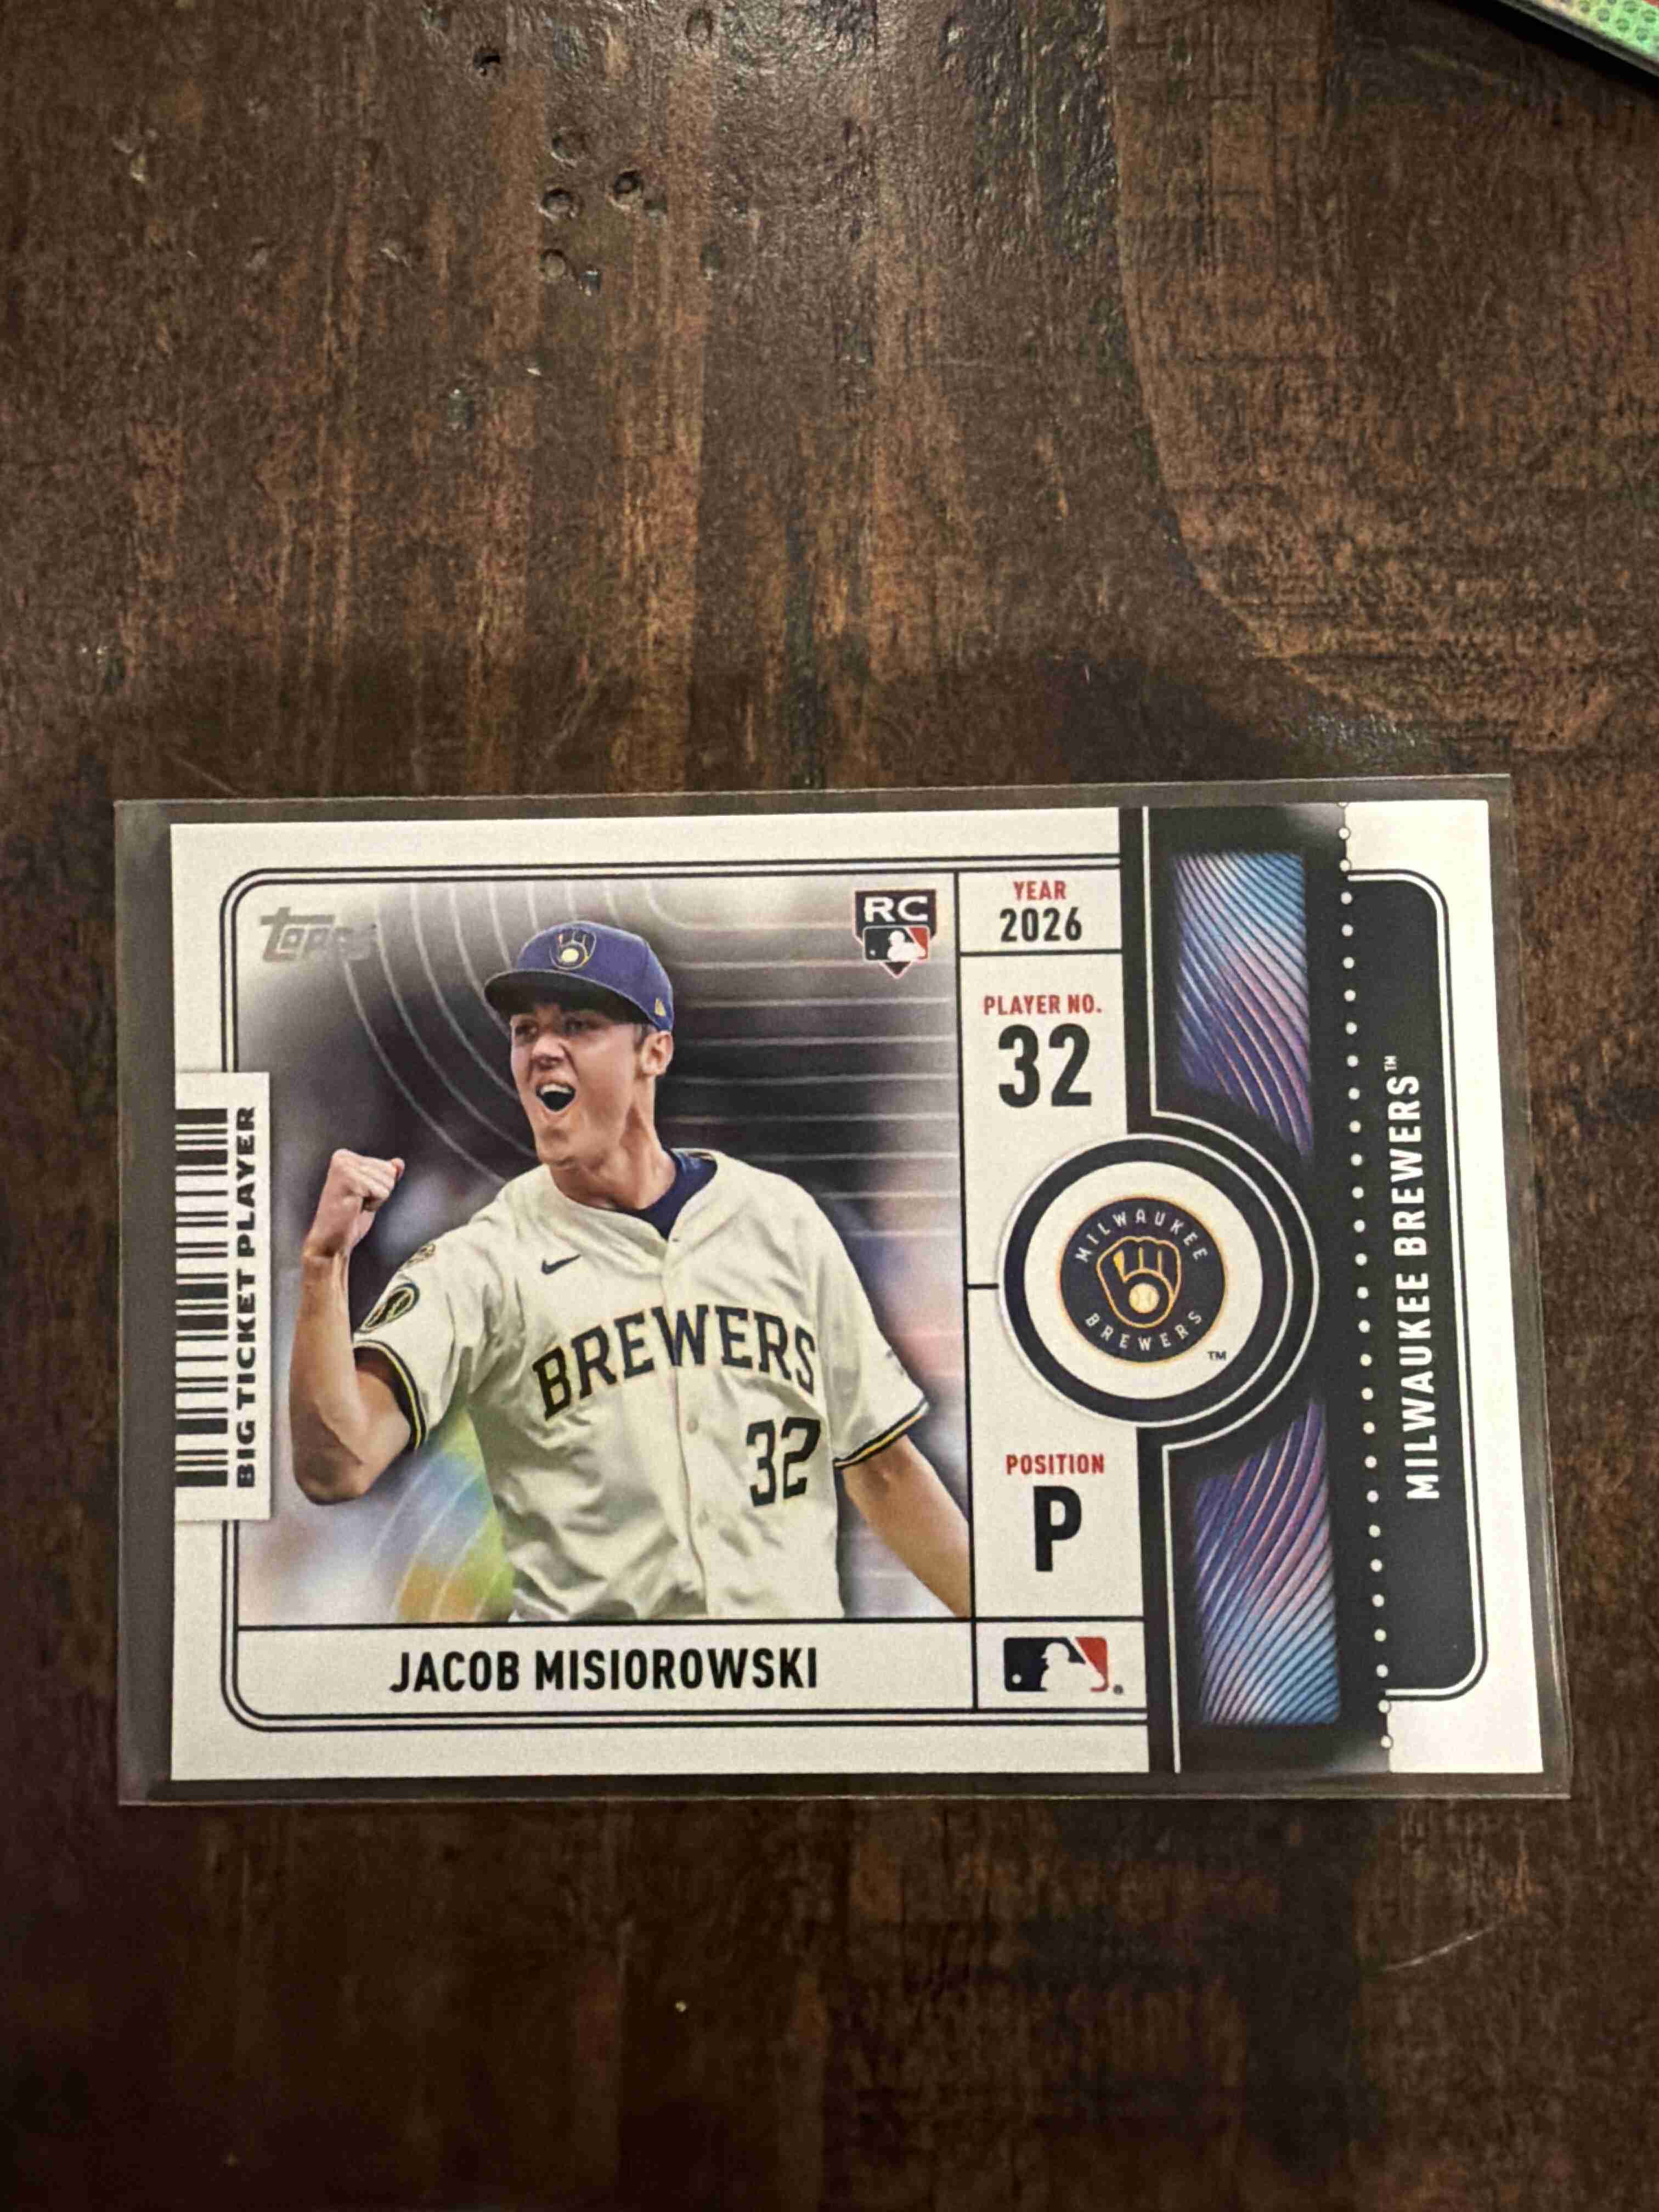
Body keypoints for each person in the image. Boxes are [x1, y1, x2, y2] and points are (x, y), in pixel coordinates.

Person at [289, 919, 971, 1624]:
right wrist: (323, 1272)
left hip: (783, 1672)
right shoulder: (479, 1259)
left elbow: (892, 1469)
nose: (544, 1050)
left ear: (656, 1052)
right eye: (526, 1031)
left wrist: (1005, 1636)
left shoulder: (788, 1223)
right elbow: (341, 1467)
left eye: (579, 1025)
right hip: (583, 1675)